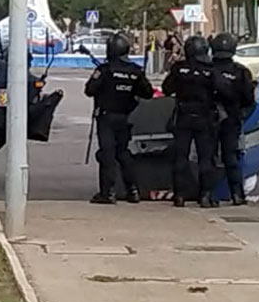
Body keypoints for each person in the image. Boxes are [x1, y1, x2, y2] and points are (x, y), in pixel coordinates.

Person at [84, 32, 154, 204]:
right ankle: (133, 190)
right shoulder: (135, 71)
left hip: (107, 117)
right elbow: (148, 93)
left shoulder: (105, 70)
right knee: (123, 153)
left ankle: (108, 193)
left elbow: (89, 90)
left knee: (107, 154)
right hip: (125, 117)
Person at [163, 36, 217, 208]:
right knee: (205, 158)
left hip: (183, 116)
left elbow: (166, 88)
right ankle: (205, 195)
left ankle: (179, 195)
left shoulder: (179, 68)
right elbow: (223, 90)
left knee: (180, 157)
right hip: (205, 117)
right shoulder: (210, 70)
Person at [211, 33, 255, 205]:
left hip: (209, 117)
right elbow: (249, 99)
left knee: (208, 157)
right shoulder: (241, 72)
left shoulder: (207, 69)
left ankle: (208, 195)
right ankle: (237, 194)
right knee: (231, 156)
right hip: (231, 118)